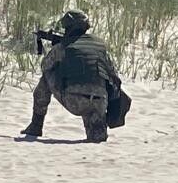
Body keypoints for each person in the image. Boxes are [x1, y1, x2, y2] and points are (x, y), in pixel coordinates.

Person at [20, 10, 122, 143]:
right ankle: (97, 131)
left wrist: (56, 50)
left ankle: (36, 126)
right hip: (99, 102)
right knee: (97, 138)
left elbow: (45, 66)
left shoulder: (63, 46)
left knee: (47, 76)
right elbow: (112, 74)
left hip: (74, 100)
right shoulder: (99, 46)